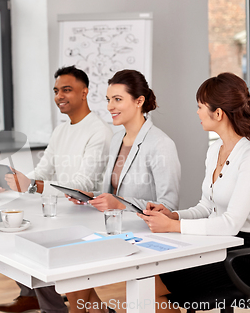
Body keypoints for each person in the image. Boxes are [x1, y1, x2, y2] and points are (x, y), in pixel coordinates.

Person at [138, 72, 250, 313]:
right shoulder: (215, 150)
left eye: (200, 106)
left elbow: (231, 224)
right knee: (147, 280)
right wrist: (174, 216)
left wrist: (173, 228)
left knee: (151, 285)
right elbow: (205, 207)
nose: (197, 112)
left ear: (218, 113)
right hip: (215, 245)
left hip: (243, 256)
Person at [0, 66, 113, 313]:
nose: (59, 96)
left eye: (67, 90)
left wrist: (32, 186)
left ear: (84, 92)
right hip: (61, 211)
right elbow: (44, 170)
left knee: (37, 250)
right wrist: (14, 182)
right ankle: (53, 306)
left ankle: (53, 308)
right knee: (19, 240)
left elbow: (82, 187)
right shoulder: (61, 130)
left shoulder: (99, 132)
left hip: (87, 216)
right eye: (56, 91)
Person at [65, 69, 181, 313]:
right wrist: (88, 197)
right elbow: (112, 191)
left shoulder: (161, 144)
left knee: (76, 274)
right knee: (72, 276)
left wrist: (120, 203)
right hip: (115, 229)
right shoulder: (117, 139)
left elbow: (168, 206)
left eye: (117, 99)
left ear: (139, 101)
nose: (110, 106)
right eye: (108, 99)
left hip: (144, 234)